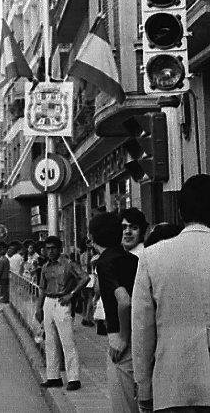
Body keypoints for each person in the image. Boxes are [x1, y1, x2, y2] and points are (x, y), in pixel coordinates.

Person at [133, 174, 210, 413]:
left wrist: (144, 389)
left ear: (179, 213)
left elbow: (142, 329)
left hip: (172, 385)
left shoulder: (152, 256)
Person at [89, 212, 139, 413]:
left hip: (121, 338)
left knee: (123, 403)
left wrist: (122, 339)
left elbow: (124, 301)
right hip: (141, 331)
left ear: (93, 237)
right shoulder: (132, 259)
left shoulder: (105, 262)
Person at [35, 235, 90, 391]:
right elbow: (41, 288)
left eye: (53, 248)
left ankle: (74, 378)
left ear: (60, 249)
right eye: (48, 248)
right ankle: (53, 377)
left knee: (67, 341)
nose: (50, 251)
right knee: (50, 341)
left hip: (62, 302)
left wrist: (72, 293)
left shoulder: (69, 264)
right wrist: (39, 307)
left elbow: (85, 278)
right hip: (48, 301)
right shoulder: (45, 267)